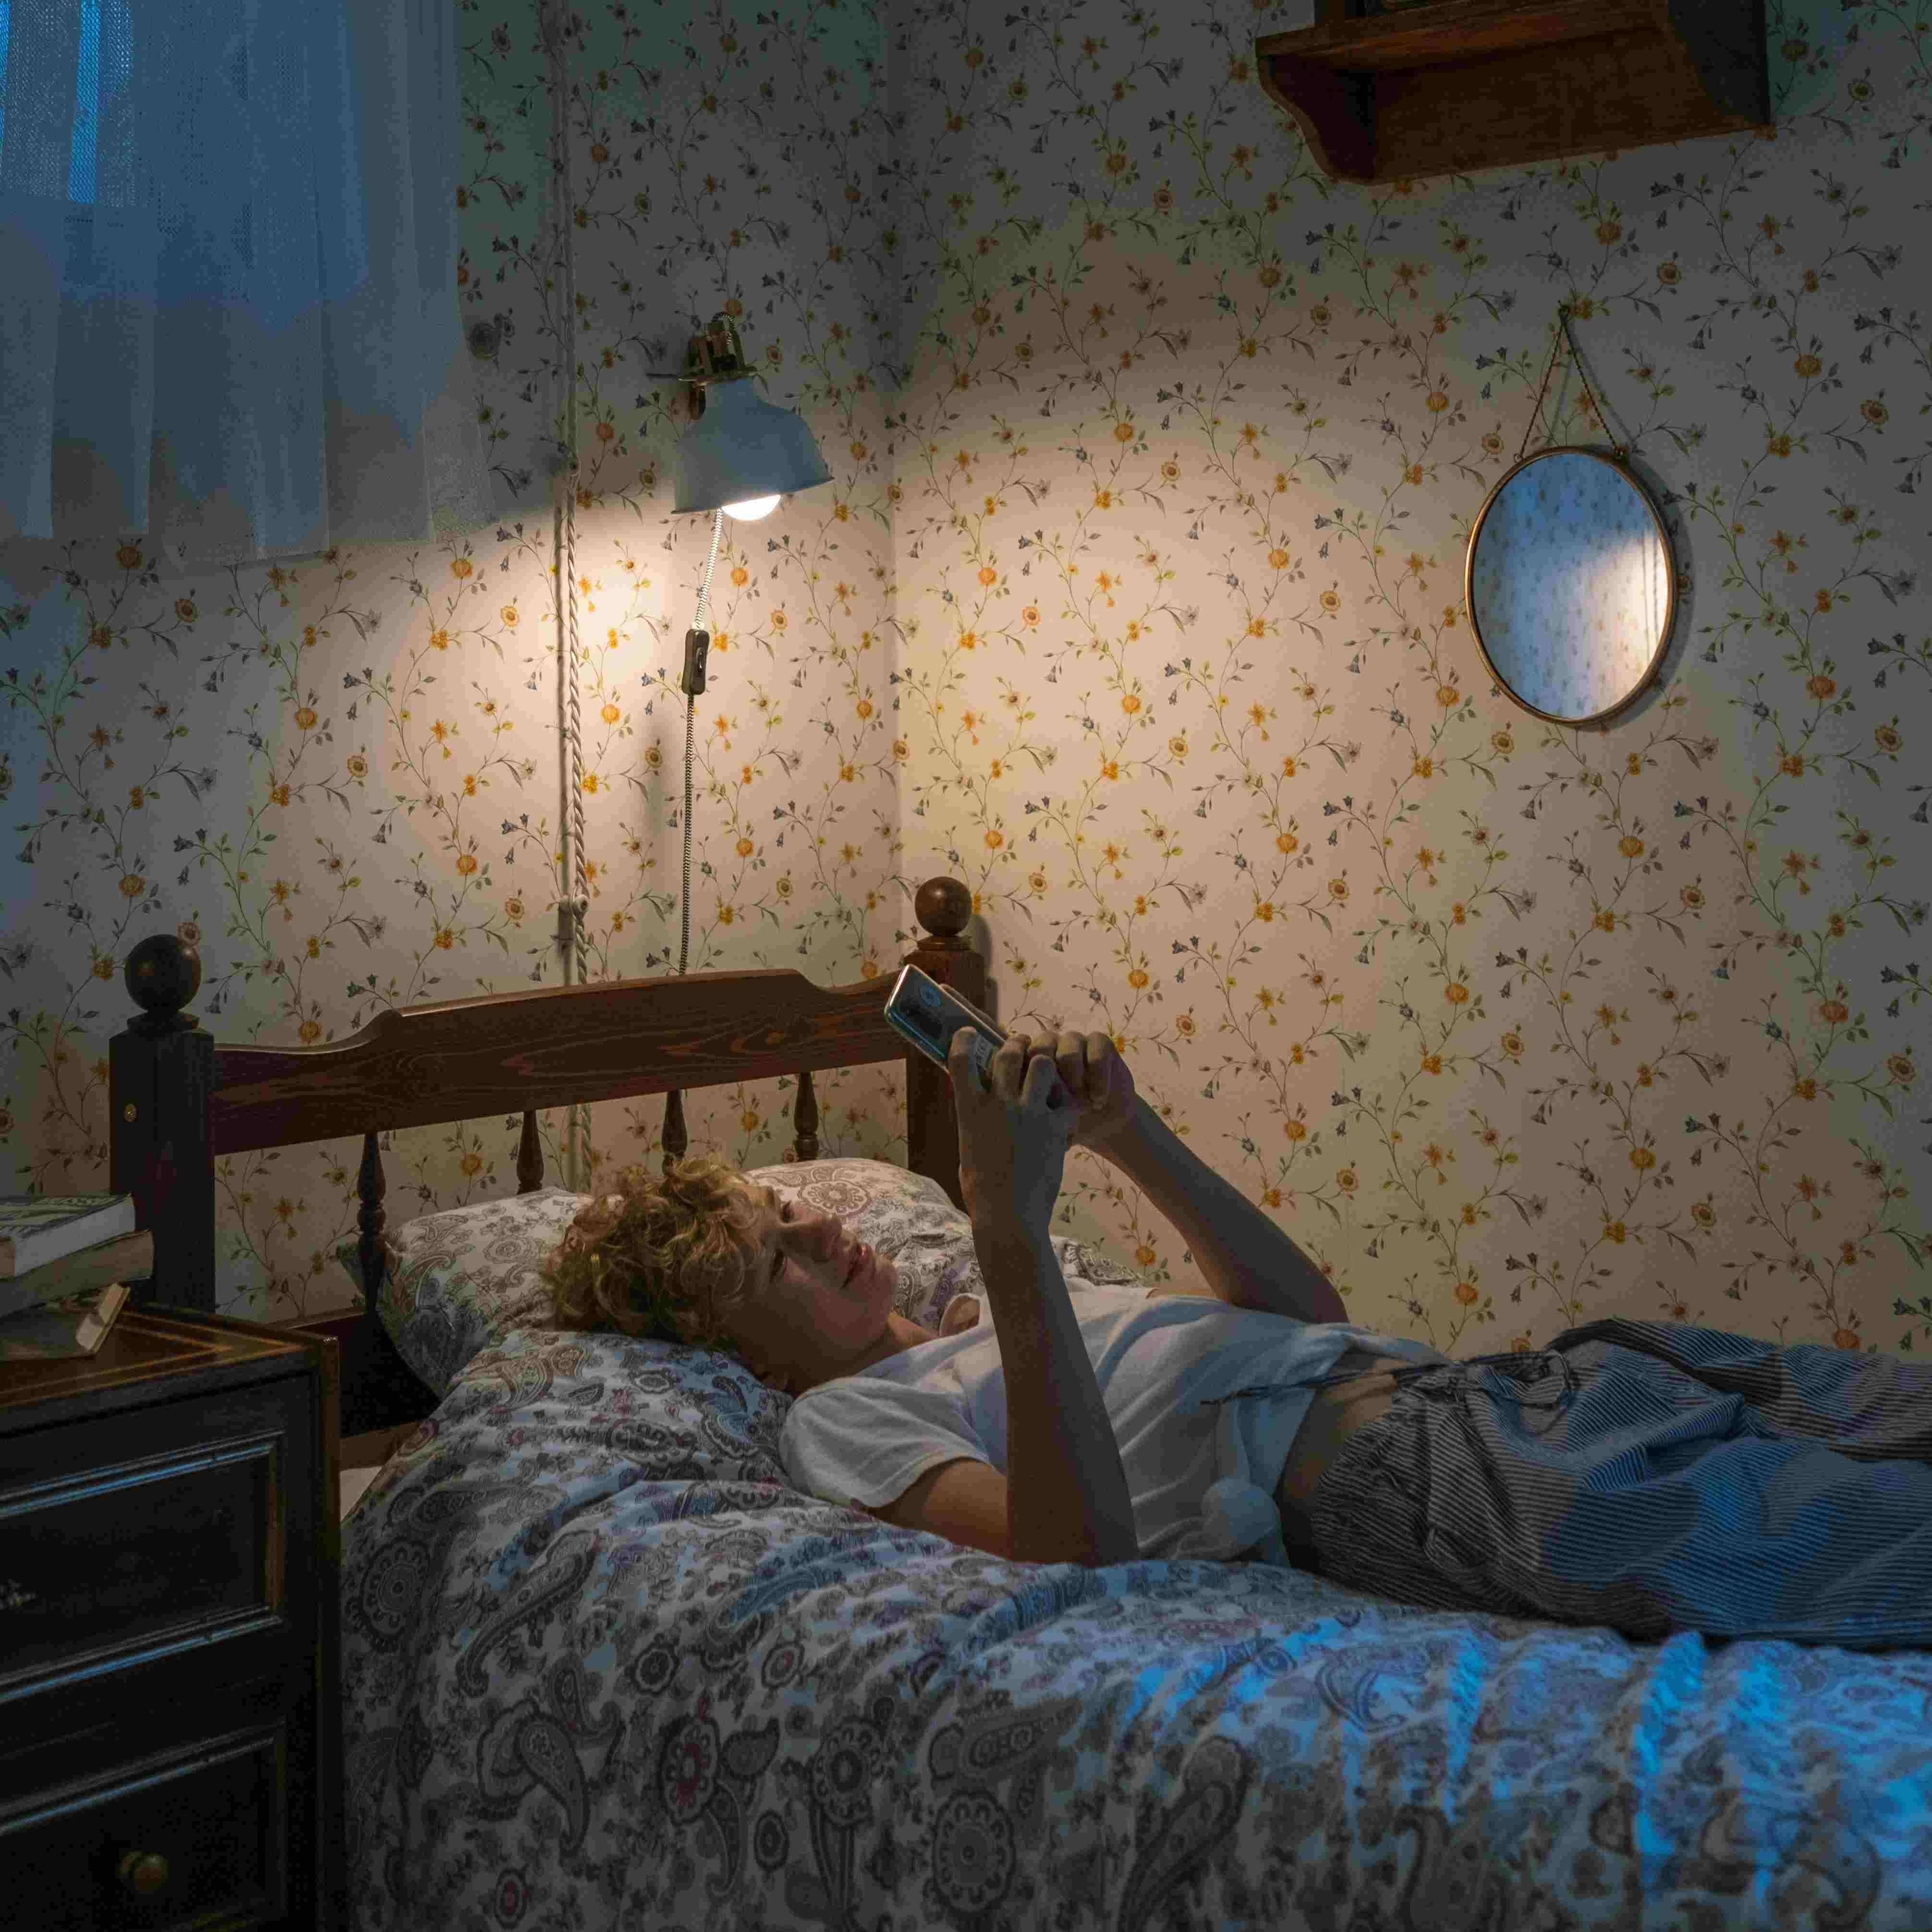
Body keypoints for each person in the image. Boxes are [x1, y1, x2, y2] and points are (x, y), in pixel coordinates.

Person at [547, 1027, 1932, 1653]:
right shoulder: (839, 1421)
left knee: (1880, 1408)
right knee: (1863, 1544)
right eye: (773, 1262)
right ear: (748, 1354)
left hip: (1519, 1383)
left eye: (792, 1214)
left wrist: (1126, 1137)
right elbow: (1069, 1556)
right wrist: (1011, 1231)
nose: (817, 1237)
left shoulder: (984, 1318)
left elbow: (1304, 1317)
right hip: (1427, 1480)